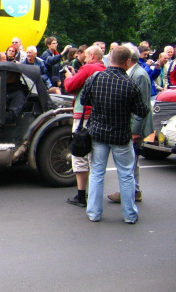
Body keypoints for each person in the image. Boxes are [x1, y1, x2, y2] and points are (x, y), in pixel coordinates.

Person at [81, 46, 149, 224]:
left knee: (96, 172)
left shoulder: (95, 78)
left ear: (110, 58)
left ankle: (94, 213)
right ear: (127, 62)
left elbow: (84, 100)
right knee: (126, 174)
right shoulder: (130, 84)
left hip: (98, 133)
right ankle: (129, 215)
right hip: (121, 136)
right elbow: (142, 110)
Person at [107, 43, 153, 204]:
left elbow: (142, 106)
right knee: (132, 161)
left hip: (135, 127)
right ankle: (134, 191)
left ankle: (130, 192)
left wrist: (135, 131)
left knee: (130, 161)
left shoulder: (139, 75)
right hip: (133, 125)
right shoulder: (135, 73)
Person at [63, 45, 106, 207]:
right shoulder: (104, 69)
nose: (85, 60)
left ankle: (81, 195)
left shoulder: (88, 68)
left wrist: (69, 77)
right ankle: (95, 195)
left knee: (80, 154)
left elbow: (70, 87)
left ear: (93, 56)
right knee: (96, 156)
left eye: (87, 57)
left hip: (84, 118)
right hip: (100, 116)